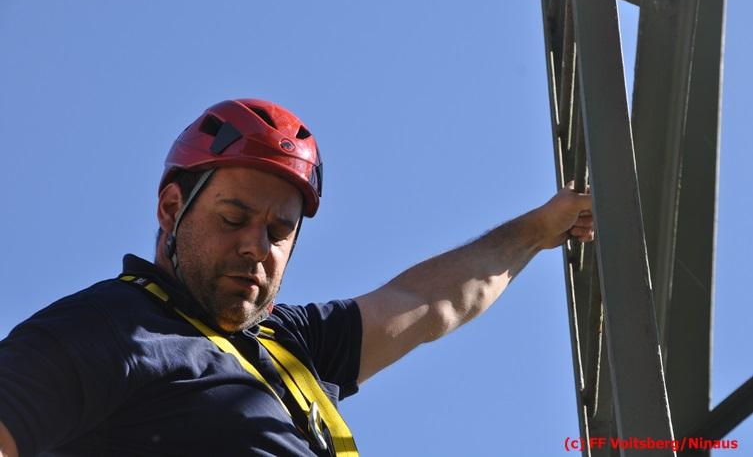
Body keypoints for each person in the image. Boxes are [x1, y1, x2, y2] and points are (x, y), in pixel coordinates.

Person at [0, 98, 593, 457]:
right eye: (233, 219)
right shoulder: (106, 328)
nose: (256, 247)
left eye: (279, 231)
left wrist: (540, 228)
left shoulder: (290, 342)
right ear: (171, 209)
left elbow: (426, 300)